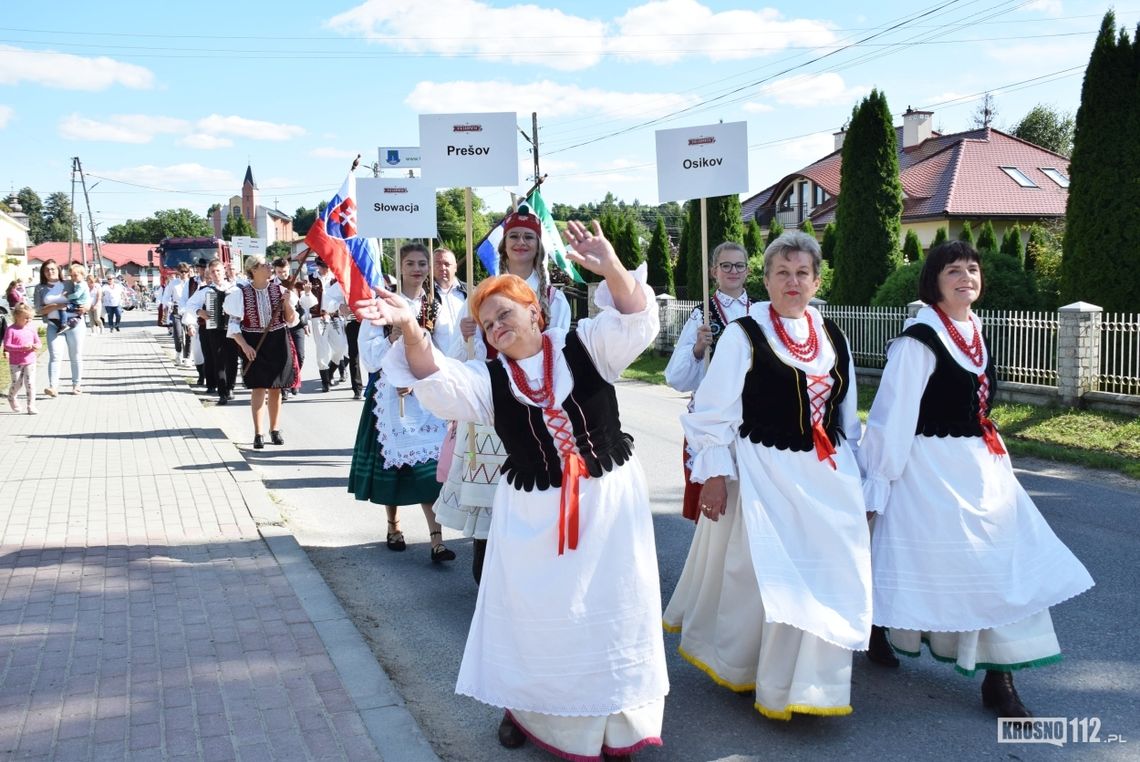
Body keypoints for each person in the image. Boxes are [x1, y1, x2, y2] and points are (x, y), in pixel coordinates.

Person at [366, 220, 667, 761]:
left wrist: (613, 265)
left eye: (505, 313)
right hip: (533, 515)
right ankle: (529, 711)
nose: (497, 327)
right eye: (487, 323)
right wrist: (412, 328)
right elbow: (435, 378)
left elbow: (635, 319)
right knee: (540, 617)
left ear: (536, 310)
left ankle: (618, 718)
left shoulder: (587, 345)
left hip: (608, 501)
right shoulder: (487, 379)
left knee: (613, 605)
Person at [857, 241, 1094, 718]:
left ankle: (998, 676)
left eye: (972, 268)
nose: (966, 277)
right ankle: (880, 629)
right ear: (934, 281)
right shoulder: (917, 340)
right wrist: (879, 481)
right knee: (929, 565)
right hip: (927, 470)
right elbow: (892, 417)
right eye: (953, 270)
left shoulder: (974, 330)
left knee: (1000, 566)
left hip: (980, 466)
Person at [663, 231, 872, 720]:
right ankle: (753, 670)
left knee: (825, 573)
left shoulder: (833, 334)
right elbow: (712, 412)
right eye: (782, 272)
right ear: (768, 279)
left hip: (827, 472)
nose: (793, 281)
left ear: (817, 279)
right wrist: (713, 473)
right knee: (764, 576)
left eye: (802, 273)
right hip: (762, 469)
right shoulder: (744, 334)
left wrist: (860, 477)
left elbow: (848, 413)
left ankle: (814, 684)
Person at [442, 204, 573, 583]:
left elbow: (561, 355)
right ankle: (490, 588)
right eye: (513, 236)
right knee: (493, 507)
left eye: (527, 237)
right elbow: (460, 360)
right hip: (495, 409)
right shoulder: (483, 295)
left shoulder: (553, 297)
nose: (520, 243)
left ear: (538, 245)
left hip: (539, 409)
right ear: (504, 245)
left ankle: (536, 580)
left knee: (538, 500)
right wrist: (468, 335)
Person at [349, 243, 455, 563]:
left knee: (428, 470)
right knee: (392, 467)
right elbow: (368, 358)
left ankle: (436, 539)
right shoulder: (381, 305)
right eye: (410, 263)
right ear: (400, 266)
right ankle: (393, 526)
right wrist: (394, 336)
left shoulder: (435, 305)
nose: (417, 269)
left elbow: (445, 352)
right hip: (389, 394)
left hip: (423, 394)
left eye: (423, 263)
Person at [665, 240, 754, 522]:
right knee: (713, 503)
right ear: (713, 271)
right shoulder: (702, 314)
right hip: (713, 418)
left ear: (748, 271)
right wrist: (697, 349)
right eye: (725, 265)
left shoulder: (761, 312)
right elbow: (676, 378)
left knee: (748, 501)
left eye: (739, 265)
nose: (732, 271)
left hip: (753, 416)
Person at [225, 255, 299, 449]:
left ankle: (275, 429)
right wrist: (244, 346)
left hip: (277, 341)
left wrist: (287, 302)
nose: (269, 267)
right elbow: (233, 326)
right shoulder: (240, 294)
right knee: (258, 387)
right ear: (254, 270)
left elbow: (291, 320)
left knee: (276, 387)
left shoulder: (280, 290)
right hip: (254, 342)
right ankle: (258, 433)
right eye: (265, 265)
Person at [184, 259, 237, 404]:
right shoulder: (206, 291)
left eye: (218, 271)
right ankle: (222, 392)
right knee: (218, 360)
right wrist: (199, 311)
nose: (216, 274)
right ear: (210, 274)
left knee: (232, 360)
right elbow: (189, 305)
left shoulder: (235, 288)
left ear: (224, 271)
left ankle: (230, 387)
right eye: (213, 272)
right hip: (214, 329)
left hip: (233, 328)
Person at [33, 260, 87, 397]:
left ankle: (77, 385)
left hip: (74, 324)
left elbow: (85, 293)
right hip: (54, 325)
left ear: (58, 270)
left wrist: (86, 307)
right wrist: (55, 306)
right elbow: (39, 310)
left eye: (53, 269)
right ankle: (53, 387)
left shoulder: (69, 283)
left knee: (75, 355)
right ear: (43, 273)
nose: (50, 272)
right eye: (47, 270)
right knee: (55, 355)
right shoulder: (39, 288)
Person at [5, 303, 41, 414]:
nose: (29, 320)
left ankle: (31, 406)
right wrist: (21, 348)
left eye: (30, 318)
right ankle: (11, 397)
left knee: (30, 383)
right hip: (16, 362)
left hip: (30, 360)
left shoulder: (31, 328)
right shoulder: (11, 330)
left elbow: (38, 342)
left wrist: (36, 346)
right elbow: (7, 345)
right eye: (26, 318)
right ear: (17, 317)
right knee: (17, 383)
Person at [161, 264, 192, 365]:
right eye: (181, 271)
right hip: (177, 310)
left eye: (185, 272)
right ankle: (178, 353)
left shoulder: (192, 283)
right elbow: (165, 298)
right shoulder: (173, 283)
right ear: (178, 272)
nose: (183, 274)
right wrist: (171, 304)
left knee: (189, 334)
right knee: (178, 334)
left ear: (188, 272)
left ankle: (187, 357)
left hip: (188, 310)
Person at [49, 264, 90, 333]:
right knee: (64, 309)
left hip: (78, 304)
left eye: (75, 275)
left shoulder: (81, 285)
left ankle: (63, 324)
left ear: (82, 275)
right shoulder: (80, 284)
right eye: (71, 276)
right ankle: (68, 321)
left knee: (62, 308)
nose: (73, 278)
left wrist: (68, 296)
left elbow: (77, 295)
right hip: (77, 303)